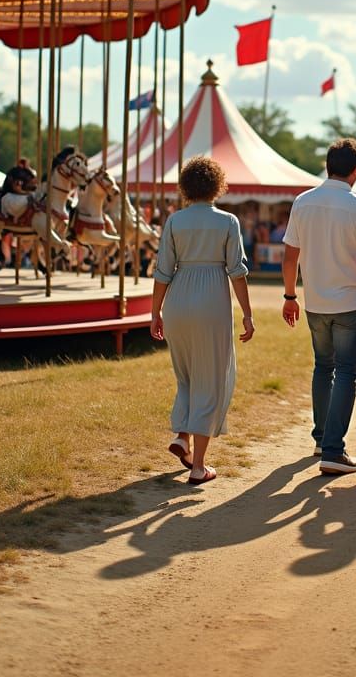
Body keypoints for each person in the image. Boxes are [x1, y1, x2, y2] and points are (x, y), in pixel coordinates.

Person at [282, 138, 356, 476]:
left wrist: (289, 296)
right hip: (350, 302)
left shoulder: (302, 202)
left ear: (329, 164)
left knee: (323, 368)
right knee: (346, 372)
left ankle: (321, 438)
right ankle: (333, 449)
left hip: (315, 301)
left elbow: (290, 255)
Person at [150, 155, 253, 486]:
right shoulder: (228, 221)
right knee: (210, 379)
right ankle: (198, 466)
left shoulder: (174, 222)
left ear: (186, 186)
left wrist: (155, 312)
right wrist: (248, 314)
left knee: (188, 377)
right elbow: (237, 272)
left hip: (178, 299)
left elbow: (163, 271)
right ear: (217, 185)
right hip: (212, 300)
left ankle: (183, 436)